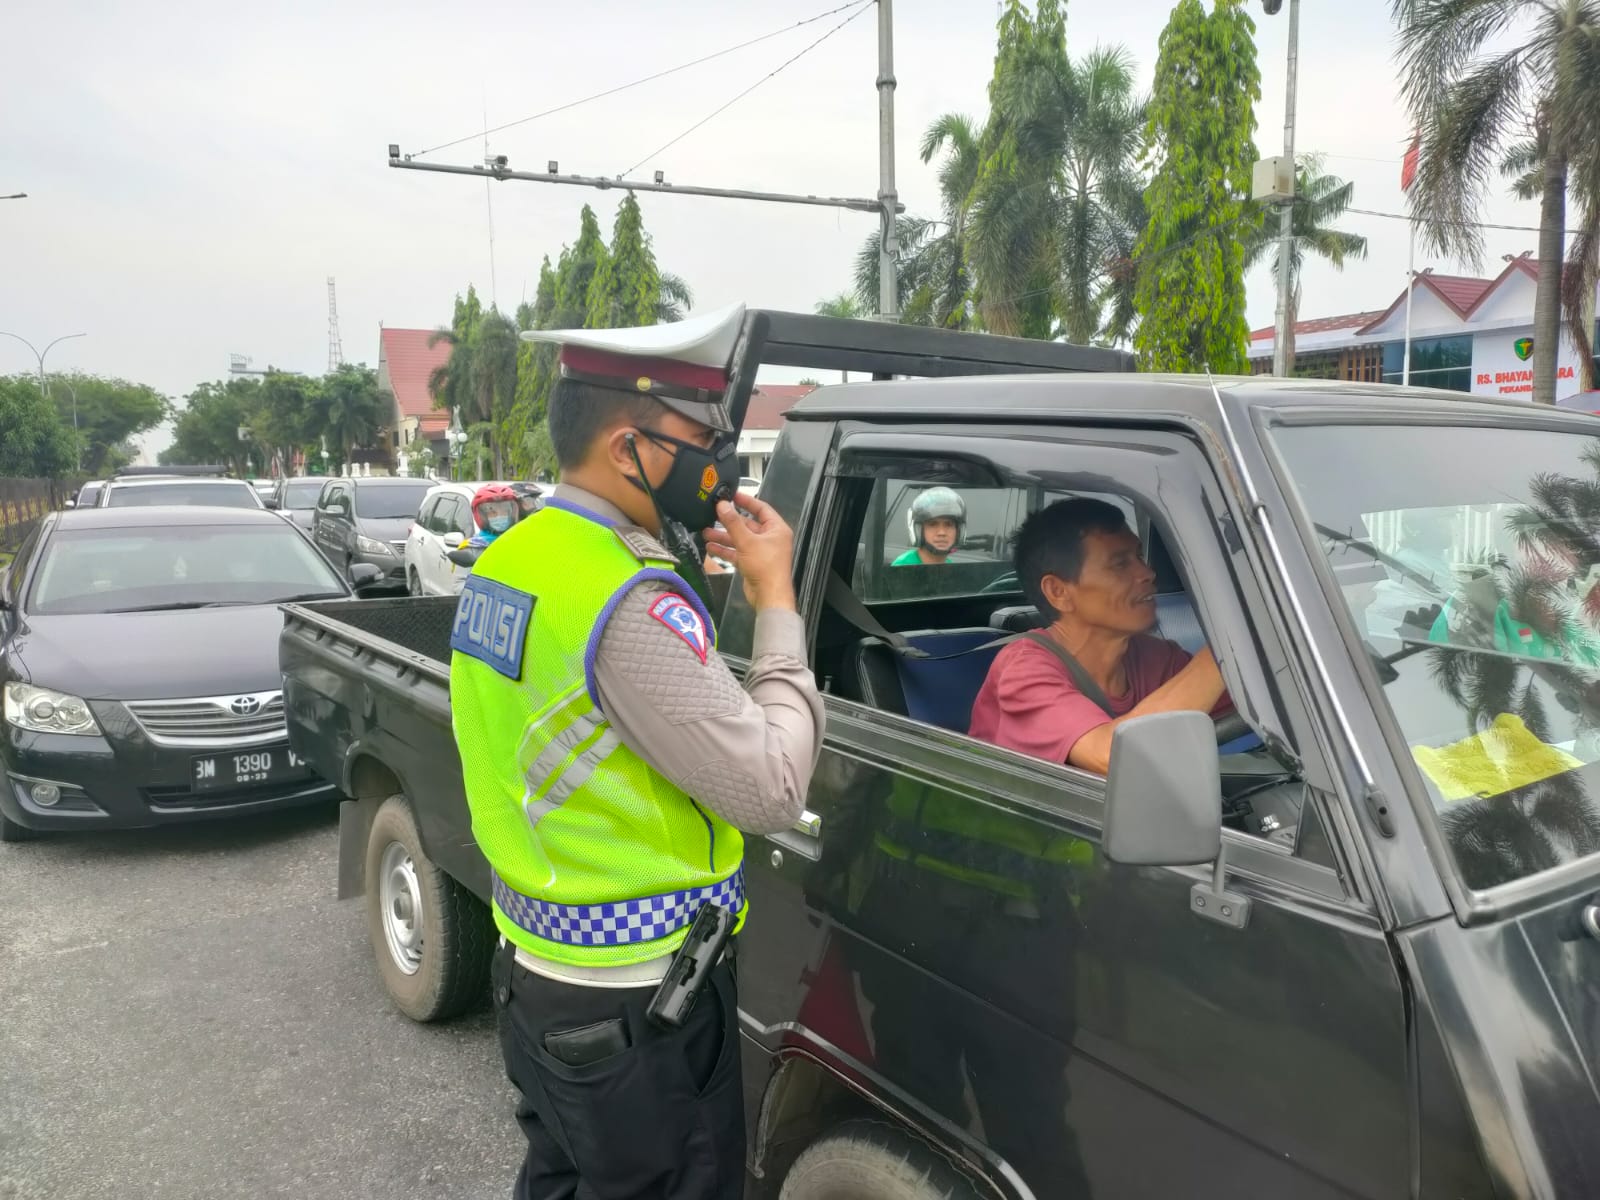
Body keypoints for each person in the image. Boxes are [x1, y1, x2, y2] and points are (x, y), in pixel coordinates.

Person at [449, 300, 825, 1200]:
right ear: (627, 449)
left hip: (539, 976)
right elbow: (772, 788)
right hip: (639, 1005)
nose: (717, 461)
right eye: (700, 436)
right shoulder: (626, 595)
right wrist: (777, 599)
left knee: (563, 1181)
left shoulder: (518, 555)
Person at [969, 497, 1230, 775]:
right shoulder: (1023, 669)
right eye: (1120, 564)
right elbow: (1112, 755)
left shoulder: (1157, 657)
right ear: (1059, 592)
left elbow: (1248, 707)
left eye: (1139, 557)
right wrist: (1227, 651)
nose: (1147, 573)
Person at [892, 486, 965, 565]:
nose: (942, 532)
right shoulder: (903, 565)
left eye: (948, 524)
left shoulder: (950, 565)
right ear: (919, 531)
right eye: (933, 524)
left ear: (959, 531)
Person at [467, 483, 521, 549]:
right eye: (492, 512)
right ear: (483, 516)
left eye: (504, 510)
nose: (500, 515)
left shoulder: (523, 539)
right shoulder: (474, 546)